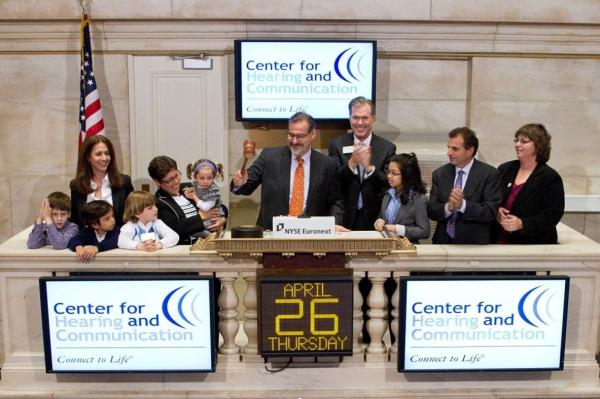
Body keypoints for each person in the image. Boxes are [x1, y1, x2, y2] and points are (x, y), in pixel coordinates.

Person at [231, 111, 345, 231]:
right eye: (291, 135)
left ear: (313, 134)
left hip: (311, 235)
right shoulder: (269, 157)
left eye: (300, 136)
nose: (294, 141)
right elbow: (245, 187)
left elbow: (335, 202)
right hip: (273, 235)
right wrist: (239, 182)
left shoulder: (327, 164)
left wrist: (333, 224)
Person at [328, 97, 396, 230]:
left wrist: (370, 169)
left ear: (373, 118)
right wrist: (351, 165)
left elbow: (390, 185)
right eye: (355, 117)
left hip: (376, 218)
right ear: (349, 118)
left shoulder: (387, 148)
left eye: (365, 118)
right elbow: (333, 182)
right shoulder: (336, 145)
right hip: (344, 218)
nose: (360, 122)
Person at [428, 127, 502, 244]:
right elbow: (432, 210)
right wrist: (449, 207)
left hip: (473, 245)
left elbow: (490, 212)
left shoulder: (489, 174)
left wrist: (463, 205)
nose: (449, 153)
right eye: (449, 147)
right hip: (443, 243)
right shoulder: (440, 174)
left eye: (455, 149)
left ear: (470, 151)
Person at [494, 123, 564, 244]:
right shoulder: (505, 169)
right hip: (498, 237)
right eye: (516, 140)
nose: (517, 145)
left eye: (524, 141)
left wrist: (523, 224)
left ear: (538, 146)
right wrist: (496, 210)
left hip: (531, 242)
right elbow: (492, 197)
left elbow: (552, 214)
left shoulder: (550, 177)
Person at [148, 155, 226, 245]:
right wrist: (202, 216)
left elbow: (221, 206)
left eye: (176, 175)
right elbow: (175, 227)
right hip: (186, 249)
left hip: (210, 243)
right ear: (157, 182)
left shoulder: (190, 187)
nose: (176, 181)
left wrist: (222, 220)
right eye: (170, 180)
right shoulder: (158, 202)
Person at [70, 135, 133, 228]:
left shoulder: (124, 182)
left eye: (107, 153)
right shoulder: (76, 185)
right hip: (87, 241)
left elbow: (131, 216)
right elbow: (75, 221)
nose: (104, 158)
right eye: (98, 154)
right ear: (88, 157)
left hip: (117, 239)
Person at [374, 153, 429, 243]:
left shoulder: (418, 199)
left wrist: (397, 229)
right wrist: (379, 222)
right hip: (386, 247)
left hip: (406, 250)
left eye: (394, 173)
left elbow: (424, 232)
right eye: (388, 172)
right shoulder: (388, 195)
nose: (389, 176)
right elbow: (382, 217)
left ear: (407, 175)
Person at [184, 159, 226, 231]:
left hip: (213, 219)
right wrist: (187, 193)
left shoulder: (213, 190)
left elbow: (206, 208)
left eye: (209, 178)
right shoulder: (195, 185)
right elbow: (188, 193)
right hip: (202, 217)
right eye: (202, 178)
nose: (206, 181)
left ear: (214, 177)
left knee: (199, 229)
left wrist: (194, 197)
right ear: (195, 177)